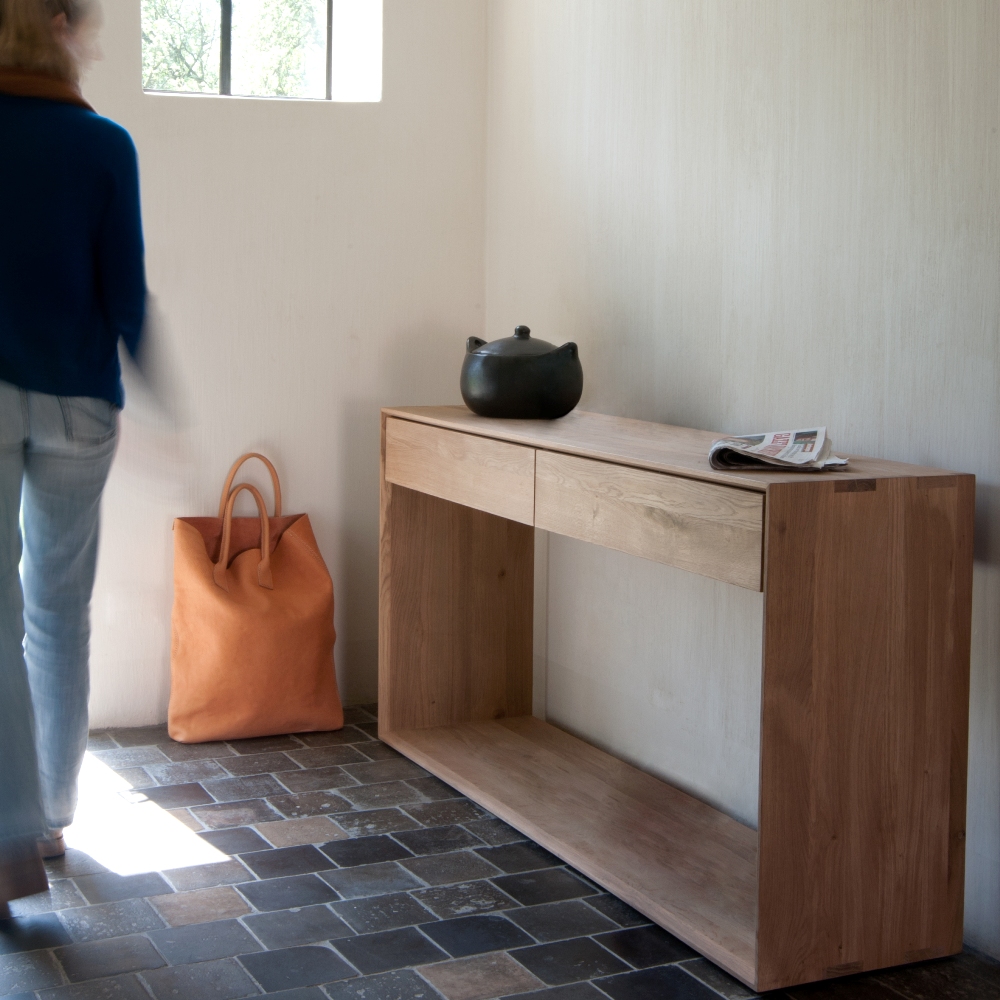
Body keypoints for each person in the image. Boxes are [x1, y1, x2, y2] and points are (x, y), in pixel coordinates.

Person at [0, 0, 146, 915]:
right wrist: (163, 391)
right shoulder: (103, 144)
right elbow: (124, 291)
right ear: (55, 26)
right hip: (80, 401)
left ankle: (8, 825)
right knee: (58, 612)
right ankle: (51, 815)